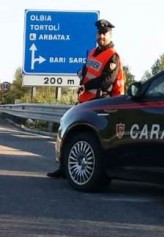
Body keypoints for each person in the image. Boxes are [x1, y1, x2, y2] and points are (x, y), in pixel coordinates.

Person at [47, 19, 125, 178]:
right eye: (99, 33)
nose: (101, 36)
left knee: (90, 139)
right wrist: (83, 85)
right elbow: (86, 73)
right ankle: (64, 168)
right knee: (71, 133)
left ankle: (93, 174)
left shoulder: (113, 56)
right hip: (86, 100)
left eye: (105, 34)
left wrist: (87, 86)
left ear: (110, 35)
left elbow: (106, 81)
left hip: (104, 103)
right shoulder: (91, 53)